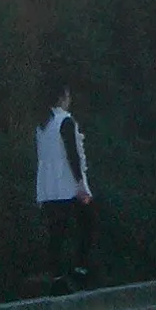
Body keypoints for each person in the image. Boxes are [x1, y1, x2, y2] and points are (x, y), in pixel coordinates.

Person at [35, 84, 95, 284]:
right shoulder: (65, 121)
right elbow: (73, 154)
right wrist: (80, 184)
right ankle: (81, 270)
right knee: (87, 225)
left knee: (56, 234)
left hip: (47, 186)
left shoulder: (42, 125)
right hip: (67, 186)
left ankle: (56, 277)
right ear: (62, 98)